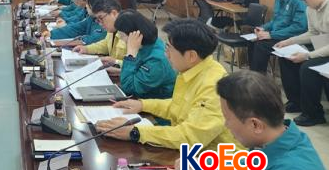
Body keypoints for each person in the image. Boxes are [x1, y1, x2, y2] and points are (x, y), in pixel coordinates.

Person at [163, 70, 327, 170]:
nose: (225, 125)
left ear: (255, 125)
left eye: (228, 119)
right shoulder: (272, 141)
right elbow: (243, 167)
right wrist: (202, 164)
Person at [96, 19, 237, 151]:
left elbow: (190, 137)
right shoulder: (193, 69)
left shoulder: (214, 87)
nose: (166, 54)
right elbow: (179, 106)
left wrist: (135, 132)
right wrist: (142, 105)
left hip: (218, 161)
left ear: (191, 56)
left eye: (169, 48)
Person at [275, 0, 329, 126]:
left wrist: (307, 55)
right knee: (286, 58)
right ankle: (296, 102)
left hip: (326, 49)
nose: (304, 3)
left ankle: (314, 114)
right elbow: (312, 33)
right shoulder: (311, 9)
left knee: (307, 67)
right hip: (322, 46)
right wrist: (289, 41)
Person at [249, 0, 307, 72]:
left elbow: (299, 27)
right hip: (278, 35)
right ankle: (252, 76)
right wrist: (263, 28)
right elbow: (275, 21)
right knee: (252, 41)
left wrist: (271, 35)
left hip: (290, 37)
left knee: (261, 45)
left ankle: (257, 78)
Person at [113, 11, 176, 99]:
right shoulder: (147, 45)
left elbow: (129, 88)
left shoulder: (157, 60)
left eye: (122, 35)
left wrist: (130, 55)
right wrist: (120, 70)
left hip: (153, 103)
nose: (121, 39)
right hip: (142, 97)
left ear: (136, 35)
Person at [72, 0, 126, 73]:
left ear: (114, 13)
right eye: (98, 20)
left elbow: (139, 65)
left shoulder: (130, 31)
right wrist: (86, 49)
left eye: (101, 18)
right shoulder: (112, 29)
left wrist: (116, 62)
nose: (100, 24)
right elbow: (105, 44)